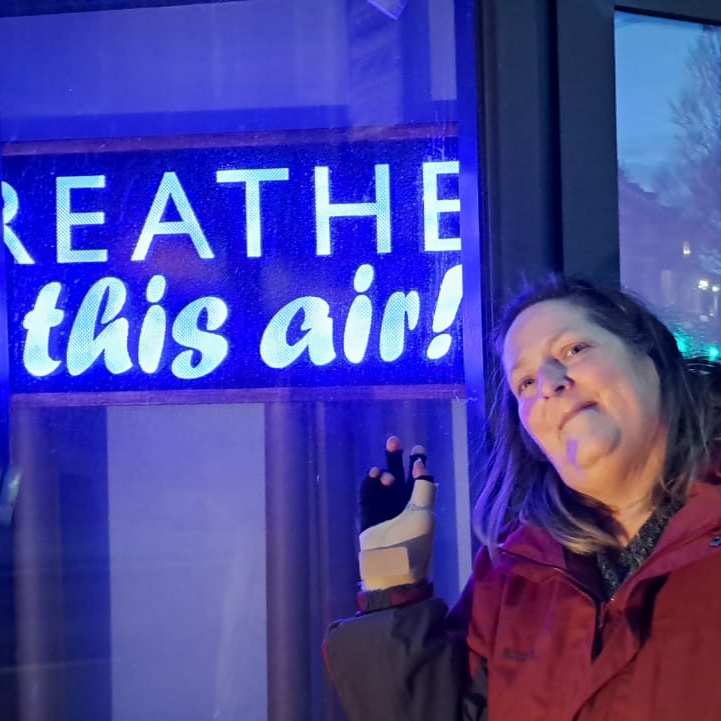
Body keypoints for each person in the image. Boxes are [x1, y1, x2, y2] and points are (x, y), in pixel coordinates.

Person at [323, 275, 721, 721]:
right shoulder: (512, 576)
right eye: (525, 383)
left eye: (573, 350)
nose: (549, 382)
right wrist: (389, 578)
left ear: (650, 355)